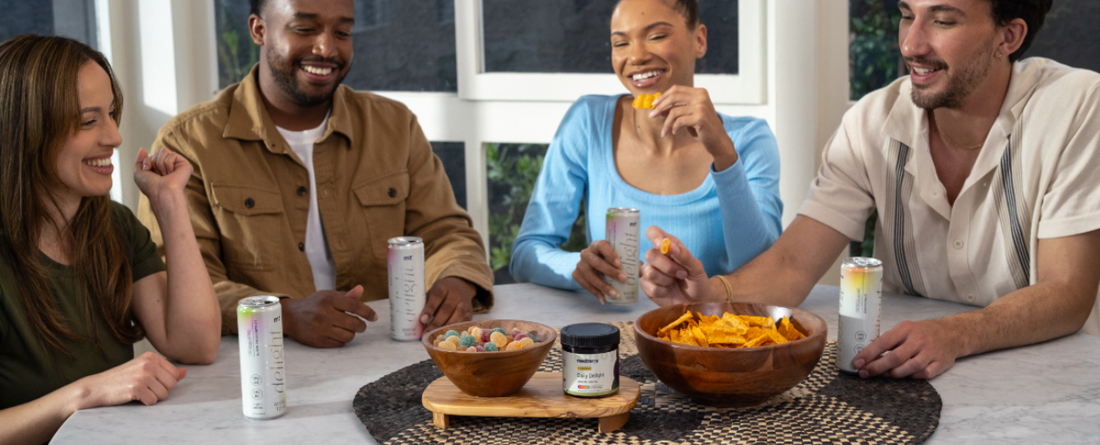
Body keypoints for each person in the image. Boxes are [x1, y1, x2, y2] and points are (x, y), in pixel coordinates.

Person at [641, 0, 1100, 379]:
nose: (911, 44)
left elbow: (1067, 292)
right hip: (902, 372)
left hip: (1051, 377)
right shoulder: (871, 121)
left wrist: (956, 334)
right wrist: (711, 294)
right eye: (906, 14)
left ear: (1009, 37)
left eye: (942, 20)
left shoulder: (1077, 105)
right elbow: (795, 262)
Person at [137, 0, 494, 348]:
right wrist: (282, 315)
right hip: (255, 367)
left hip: (385, 356)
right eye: (304, 28)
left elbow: (446, 233)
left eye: (342, 31)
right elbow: (179, 281)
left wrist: (457, 279)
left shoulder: (394, 127)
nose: (327, 48)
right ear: (258, 30)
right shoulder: (187, 143)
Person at [0, 35, 221, 444]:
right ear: (24, 130)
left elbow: (196, 343)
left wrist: (169, 204)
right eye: (89, 121)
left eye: (112, 114)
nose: (115, 137)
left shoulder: (114, 226)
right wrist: (85, 394)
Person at [509, 0, 782, 302]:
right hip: (613, 335)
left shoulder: (749, 140)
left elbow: (766, 273)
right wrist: (578, 266)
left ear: (699, 40)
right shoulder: (588, 121)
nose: (636, 56)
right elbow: (527, 252)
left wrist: (724, 154)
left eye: (656, 36)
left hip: (710, 337)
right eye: (621, 43)